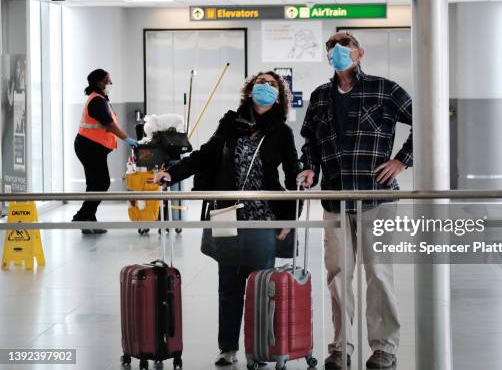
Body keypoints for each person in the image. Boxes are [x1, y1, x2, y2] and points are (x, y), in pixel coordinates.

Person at [153, 71, 301, 367]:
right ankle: (227, 347)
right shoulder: (230, 123)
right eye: (261, 82)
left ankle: (259, 348)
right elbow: (205, 156)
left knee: (261, 286)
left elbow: (292, 171)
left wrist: (290, 216)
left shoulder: (281, 132)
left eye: (272, 85)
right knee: (228, 284)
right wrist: (173, 173)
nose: (266, 87)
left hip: (263, 215)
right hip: (226, 212)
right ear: (249, 91)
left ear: (280, 96)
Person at [298, 32, 412, 369]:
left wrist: (402, 160)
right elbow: (310, 145)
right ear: (327, 56)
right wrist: (308, 170)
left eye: (345, 47)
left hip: (375, 196)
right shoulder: (320, 97)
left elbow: (429, 119)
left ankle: (384, 348)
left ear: (360, 53)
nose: (338, 52)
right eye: (332, 48)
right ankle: (340, 346)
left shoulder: (385, 90)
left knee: (378, 274)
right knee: (337, 275)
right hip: (335, 198)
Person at [72, 69, 138, 234]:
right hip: (89, 147)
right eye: (108, 80)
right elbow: (109, 125)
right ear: (98, 83)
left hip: (90, 146)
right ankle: (81, 217)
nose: (111, 84)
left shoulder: (100, 99)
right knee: (102, 183)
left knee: (94, 184)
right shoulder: (97, 101)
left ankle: (89, 222)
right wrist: (127, 139)